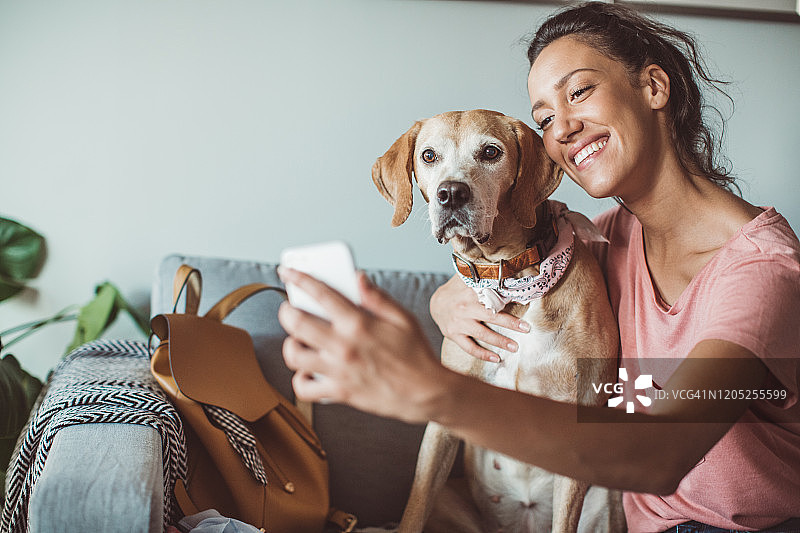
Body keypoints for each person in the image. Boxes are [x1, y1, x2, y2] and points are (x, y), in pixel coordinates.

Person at [277, 2, 800, 532]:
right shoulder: (606, 239)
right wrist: (444, 300)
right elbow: (522, 273)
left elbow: (660, 456)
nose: (563, 129)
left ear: (653, 87)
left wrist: (433, 390)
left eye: (579, 92)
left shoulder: (762, 272)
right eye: (545, 118)